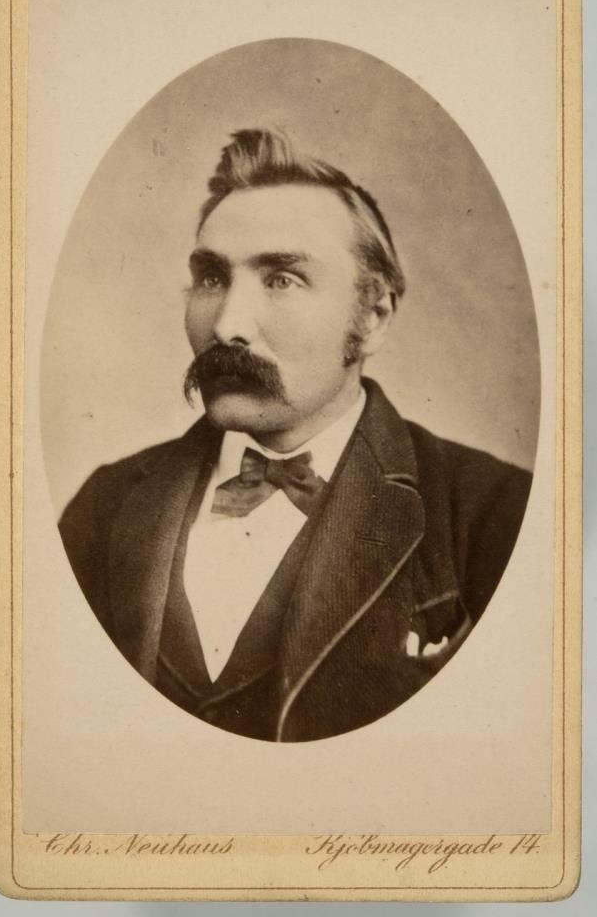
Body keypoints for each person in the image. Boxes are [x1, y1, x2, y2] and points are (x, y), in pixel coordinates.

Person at [59, 128, 532, 742]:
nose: (227, 325)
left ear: (373, 317)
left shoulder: (495, 512)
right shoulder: (105, 504)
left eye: (282, 278)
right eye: (212, 278)